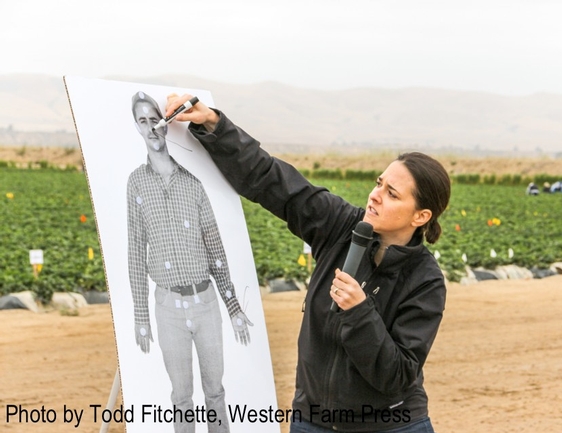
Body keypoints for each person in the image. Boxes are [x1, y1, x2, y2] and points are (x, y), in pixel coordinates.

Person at [165, 93, 451, 433]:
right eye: (379, 183)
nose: (375, 195)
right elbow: (274, 181)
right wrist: (214, 125)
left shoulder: (425, 280)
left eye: (392, 194)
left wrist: (360, 312)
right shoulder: (339, 225)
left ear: (421, 216)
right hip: (313, 421)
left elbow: (397, 376)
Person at [127, 91, 253, 433]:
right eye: (143, 121)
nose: (151, 128)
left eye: (156, 120)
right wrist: (141, 316)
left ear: (166, 125)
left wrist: (233, 307)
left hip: (206, 304)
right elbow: (136, 253)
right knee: (181, 397)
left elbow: (216, 250)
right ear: (136, 127)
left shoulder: (194, 183)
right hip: (167, 307)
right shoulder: (136, 183)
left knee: (215, 392)